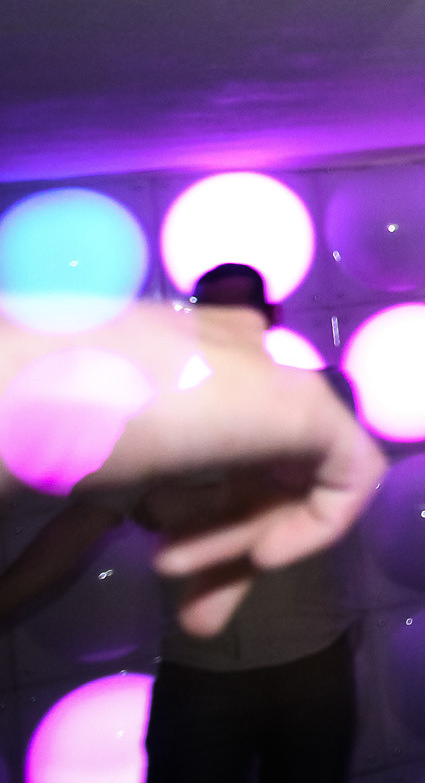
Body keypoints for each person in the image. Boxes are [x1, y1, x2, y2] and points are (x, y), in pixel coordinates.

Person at [0, 265, 367, 781]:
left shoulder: (324, 390)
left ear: (270, 317)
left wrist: (188, 500)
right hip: (202, 675)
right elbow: (81, 523)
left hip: (312, 669)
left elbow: (290, 480)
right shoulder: (160, 421)